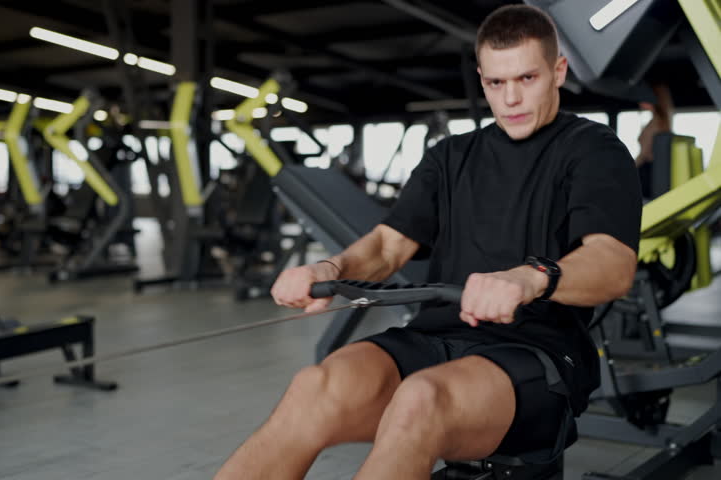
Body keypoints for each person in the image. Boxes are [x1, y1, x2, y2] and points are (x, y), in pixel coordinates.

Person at [215, 5, 642, 480]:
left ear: (557, 71)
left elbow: (612, 262)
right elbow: (386, 248)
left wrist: (531, 277)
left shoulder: (593, 151)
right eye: (496, 83)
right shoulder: (450, 157)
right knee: (315, 387)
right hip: (432, 336)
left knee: (419, 400)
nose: (512, 98)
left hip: (533, 351)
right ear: (482, 79)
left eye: (527, 78)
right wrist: (330, 270)